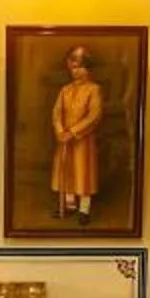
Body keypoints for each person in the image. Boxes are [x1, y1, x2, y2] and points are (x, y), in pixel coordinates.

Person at [51, 45, 104, 220]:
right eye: (73, 67)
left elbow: (94, 115)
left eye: (79, 67)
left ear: (87, 68)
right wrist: (60, 130)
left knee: (83, 173)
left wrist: (73, 132)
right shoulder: (65, 90)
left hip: (83, 140)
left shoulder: (93, 89)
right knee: (66, 171)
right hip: (64, 139)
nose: (75, 71)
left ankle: (84, 209)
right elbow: (57, 112)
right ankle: (68, 205)